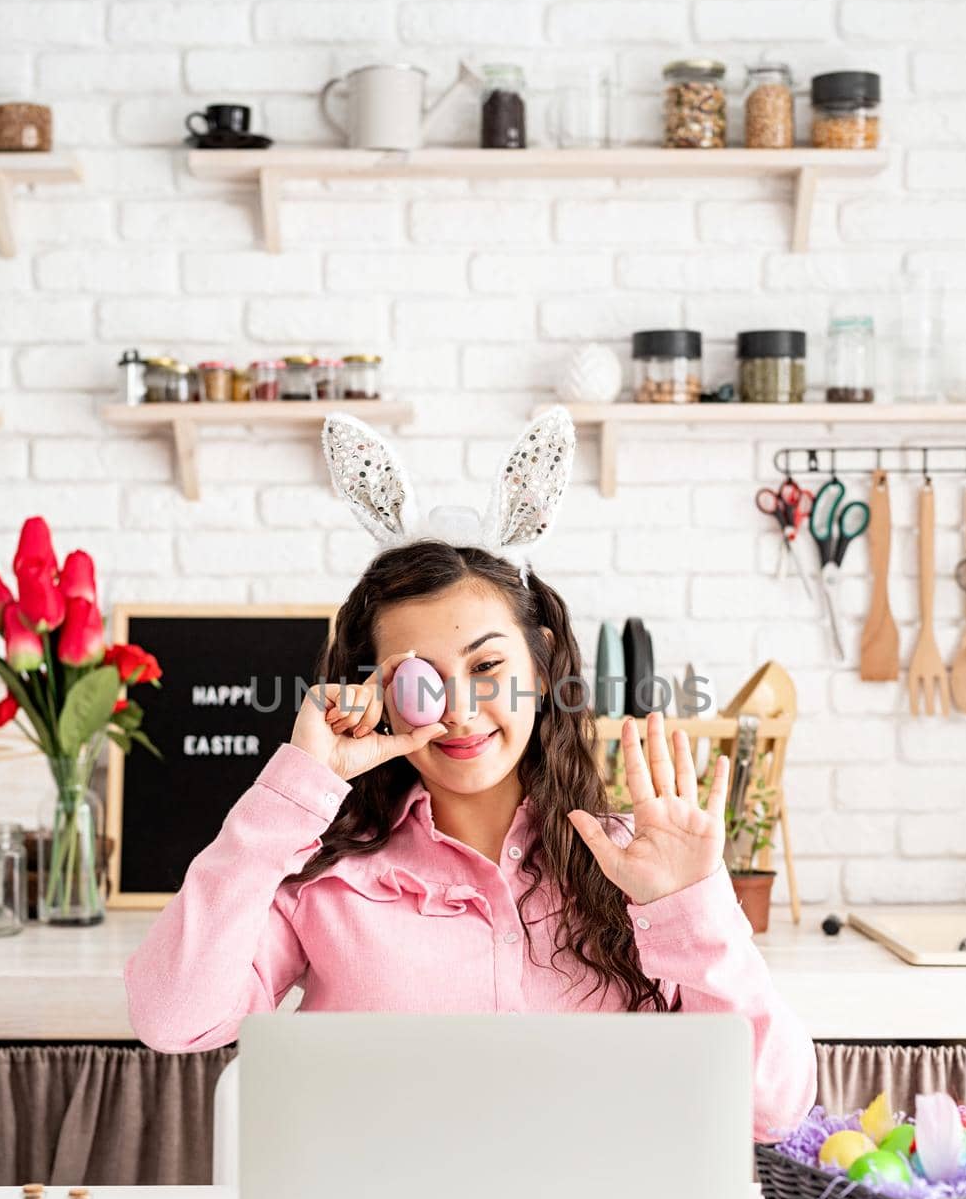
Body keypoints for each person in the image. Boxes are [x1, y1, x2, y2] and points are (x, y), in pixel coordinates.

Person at [123, 409, 817, 1144]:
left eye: (487, 667)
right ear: (374, 690)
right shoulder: (327, 881)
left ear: (541, 666)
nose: (457, 711)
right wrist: (294, 789)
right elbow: (173, 1019)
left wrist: (688, 905)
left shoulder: (638, 869)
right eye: (418, 677)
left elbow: (770, 1108)